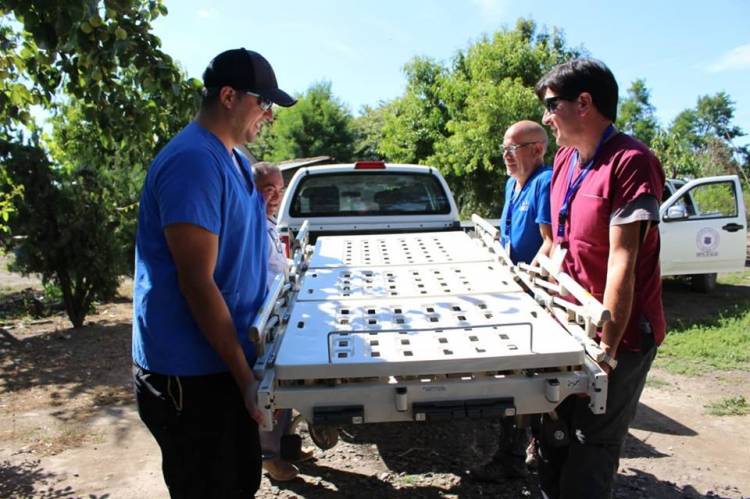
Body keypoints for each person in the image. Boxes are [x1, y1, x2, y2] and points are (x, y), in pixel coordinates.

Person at [132, 48, 296, 498]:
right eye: (263, 104)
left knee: (240, 479)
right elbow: (196, 282)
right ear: (228, 95)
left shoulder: (236, 160)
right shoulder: (193, 162)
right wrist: (245, 378)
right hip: (192, 376)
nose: (268, 116)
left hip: (223, 362)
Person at [533, 58, 666, 499]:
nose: (546, 117)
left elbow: (621, 261)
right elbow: (560, 244)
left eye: (552, 105)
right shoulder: (566, 160)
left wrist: (605, 349)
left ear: (584, 103)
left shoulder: (632, 162)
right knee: (553, 434)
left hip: (617, 337)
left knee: (591, 446)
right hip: (569, 325)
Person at [472, 120, 552, 482]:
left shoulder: (544, 184)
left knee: (527, 374)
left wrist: (528, 277)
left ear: (537, 149)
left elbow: (550, 242)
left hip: (533, 295)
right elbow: (507, 237)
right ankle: (516, 448)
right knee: (509, 370)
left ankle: (519, 454)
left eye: (513, 149)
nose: (506, 156)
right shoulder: (511, 184)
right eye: (503, 149)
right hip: (509, 291)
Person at [253, 162, 315, 481]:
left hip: (279, 310)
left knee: (288, 382)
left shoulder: (268, 223)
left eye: (280, 190)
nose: (276, 197)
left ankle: (289, 447)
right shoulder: (250, 229)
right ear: (252, 191)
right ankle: (269, 457)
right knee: (273, 388)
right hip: (263, 317)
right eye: (268, 190)